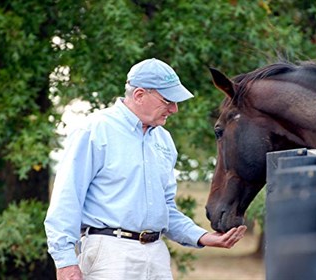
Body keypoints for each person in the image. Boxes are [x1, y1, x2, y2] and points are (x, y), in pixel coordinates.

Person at [44, 58, 247, 280]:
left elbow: (166, 209)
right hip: (109, 255)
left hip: (156, 256)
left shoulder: (164, 140)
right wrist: (65, 262)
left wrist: (203, 237)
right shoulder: (95, 130)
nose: (174, 109)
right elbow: (67, 198)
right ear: (139, 95)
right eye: (167, 100)